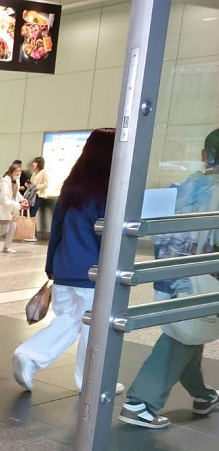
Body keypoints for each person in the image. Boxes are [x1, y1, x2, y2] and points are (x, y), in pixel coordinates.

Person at [12, 128, 123, 394]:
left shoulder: (72, 188)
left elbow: (56, 233)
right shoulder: (110, 193)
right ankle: (90, 381)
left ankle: (29, 354)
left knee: (70, 320)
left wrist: (52, 268)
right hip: (93, 274)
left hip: (65, 270)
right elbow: (110, 239)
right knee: (92, 328)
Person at [120, 129, 219, 428]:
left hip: (169, 275)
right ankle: (140, 402)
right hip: (203, 278)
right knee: (184, 334)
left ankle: (202, 394)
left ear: (204, 155)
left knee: (190, 331)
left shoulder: (185, 185)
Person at [0, 163, 30, 255]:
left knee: (13, 227)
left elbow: (16, 193)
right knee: (4, 229)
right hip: (4, 208)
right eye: (16, 172)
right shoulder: (5, 182)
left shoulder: (16, 181)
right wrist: (19, 206)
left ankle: (7, 247)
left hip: (13, 208)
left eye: (20, 172)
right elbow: (5, 199)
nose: (18, 174)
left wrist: (22, 200)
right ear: (11, 172)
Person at [29, 156, 50, 234]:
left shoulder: (43, 172)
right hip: (32, 196)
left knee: (32, 214)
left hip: (39, 196)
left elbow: (46, 184)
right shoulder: (34, 173)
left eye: (35, 162)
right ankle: (30, 233)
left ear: (39, 163)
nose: (33, 164)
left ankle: (32, 234)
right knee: (29, 214)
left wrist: (36, 187)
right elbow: (32, 183)